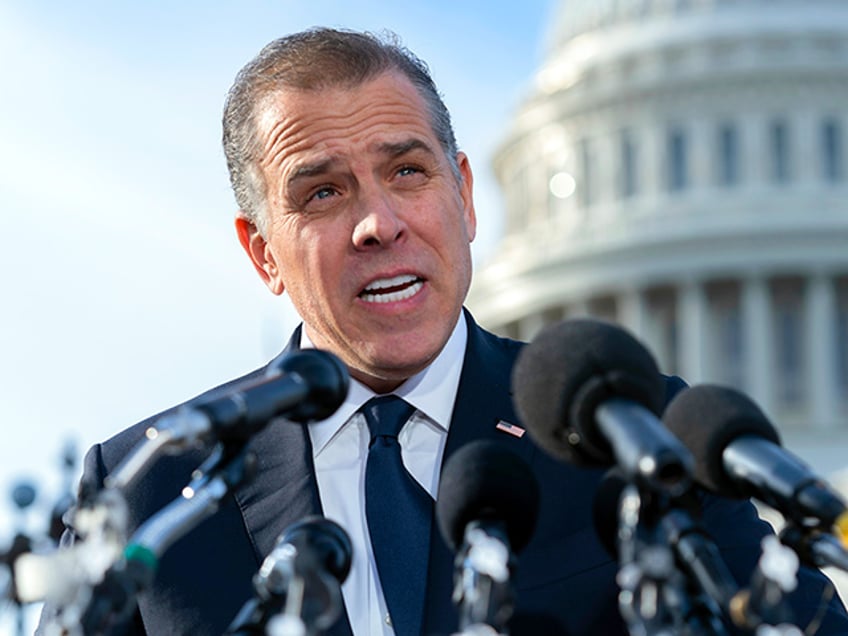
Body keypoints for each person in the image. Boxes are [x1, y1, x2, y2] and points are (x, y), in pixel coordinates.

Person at [42, 28, 848, 636]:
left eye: (407, 172)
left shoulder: (632, 440)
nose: (377, 224)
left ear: (463, 196)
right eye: (322, 193)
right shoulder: (150, 489)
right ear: (263, 253)